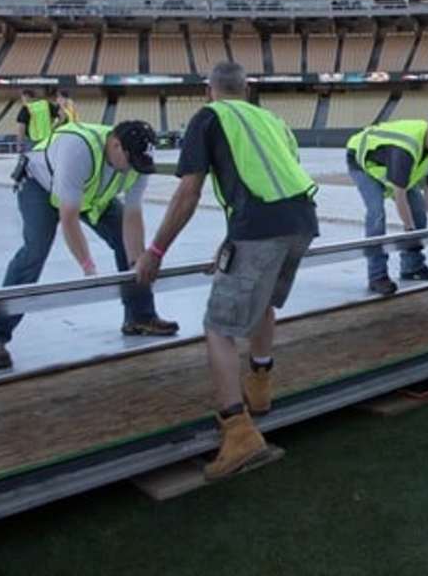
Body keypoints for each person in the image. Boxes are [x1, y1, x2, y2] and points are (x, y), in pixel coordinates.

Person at [136, 61, 320, 477]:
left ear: (209, 90)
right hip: (302, 220)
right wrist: (232, 239)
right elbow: (270, 177)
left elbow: (188, 192)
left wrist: (156, 250)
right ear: (248, 88)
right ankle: (260, 384)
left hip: (259, 227)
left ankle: (237, 431)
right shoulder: (270, 119)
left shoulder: (209, 117)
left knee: (219, 326)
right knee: (265, 303)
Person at [0, 118, 178, 369]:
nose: (133, 170)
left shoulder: (138, 162)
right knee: (35, 252)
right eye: (131, 162)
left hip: (90, 194)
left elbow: (133, 215)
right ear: (116, 145)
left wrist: (135, 262)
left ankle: (140, 316)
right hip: (41, 186)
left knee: (125, 242)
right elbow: (68, 217)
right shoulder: (78, 150)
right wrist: (88, 267)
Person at [346, 112, 428, 295]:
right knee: (376, 213)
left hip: (394, 168)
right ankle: (377, 277)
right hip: (364, 163)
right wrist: (410, 231)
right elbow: (400, 195)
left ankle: (412, 267)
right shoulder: (405, 147)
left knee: (418, 211)